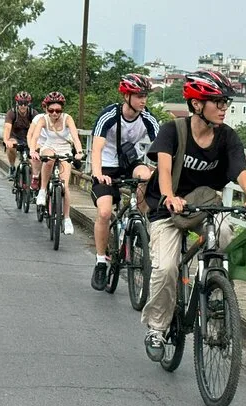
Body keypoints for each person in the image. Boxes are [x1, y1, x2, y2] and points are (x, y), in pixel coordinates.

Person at [140, 70, 246, 362]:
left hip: (205, 207)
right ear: (197, 104)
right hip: (168, 208)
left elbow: (240, 170)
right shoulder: (173, 131)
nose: (223, 108)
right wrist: (170, 197)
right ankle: (157, 328)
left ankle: (213, 294)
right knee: (166, 268)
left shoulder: (227, 136)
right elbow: (164, 169)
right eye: (217, 102)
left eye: (226, 103)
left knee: (224, 237)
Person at [90, 73, 159, 291]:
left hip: (129, 162)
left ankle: (138, 220)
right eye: (139, 96)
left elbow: (162, 146)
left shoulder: (147, 117)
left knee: (147, 176)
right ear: (126, 96)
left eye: (145, 96)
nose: (143, 100)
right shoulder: (109, 115)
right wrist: (98, 174)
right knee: (104, 212)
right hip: (106, 166)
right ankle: (101, 261)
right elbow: (96, 149)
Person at [29, 92, 83, 235]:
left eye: (58, 110)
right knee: (49, 158)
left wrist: (79, 152)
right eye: (51, 110)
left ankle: (67, 219)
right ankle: (42, 191)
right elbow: (35, 137)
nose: (54, 113)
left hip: (65, 149)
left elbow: (75, 137)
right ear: (46, 109)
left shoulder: (67, 119)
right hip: (49, 146)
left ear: (62, 110)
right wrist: (33, 151)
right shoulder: (43, 120)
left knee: (65, 186)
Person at [3, 91, 38, 180]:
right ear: (17, 103)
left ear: (28, 104)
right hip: (15, 137)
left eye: (25, 103)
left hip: (28, 138)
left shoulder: (33, 113)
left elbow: (38, 130)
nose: (23, 106)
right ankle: (12, 168)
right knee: (11, 147)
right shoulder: (12, 113)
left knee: (35, 159)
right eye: (20, 103)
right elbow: (7, 128)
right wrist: (6, 141)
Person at [25, 98, 48, 190]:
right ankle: (35, 177)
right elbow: (30, 135)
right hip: (40, 144)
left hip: (54, 146)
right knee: (36, 154)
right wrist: (32, 148)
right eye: (48, 108)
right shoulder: (38, 118)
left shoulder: (62, 119)